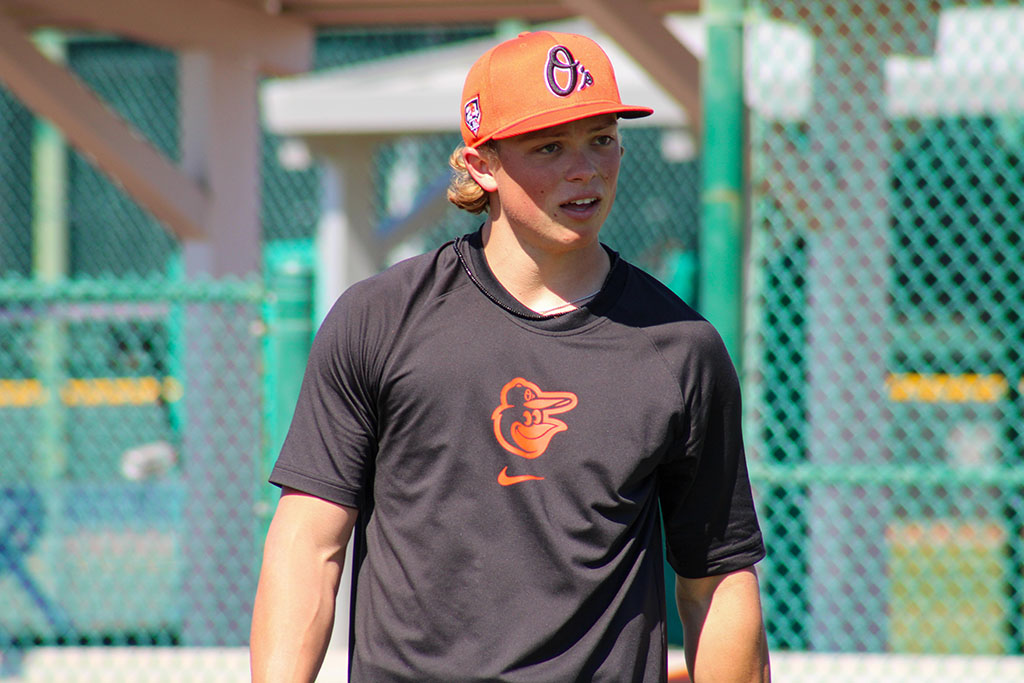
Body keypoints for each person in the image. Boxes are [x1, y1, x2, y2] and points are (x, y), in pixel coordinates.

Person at [251, 30, 770, 683]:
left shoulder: (681, 346)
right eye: (549, 147)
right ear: (481, 165)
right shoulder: (380, 319)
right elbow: (309, 545)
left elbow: (717, 582)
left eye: (601, 139)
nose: (585, 169)